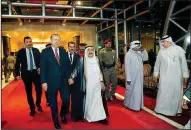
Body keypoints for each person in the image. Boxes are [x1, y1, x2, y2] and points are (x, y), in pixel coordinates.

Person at [68, 46, 109, 124]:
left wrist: (101, 81)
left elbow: (100, 71)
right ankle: (89, 116)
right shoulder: (82, 60)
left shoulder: (97, 59)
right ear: (86, 51)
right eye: (89, 50)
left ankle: (100, 117)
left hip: (97, 84)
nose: (90, 51)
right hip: (87, 84)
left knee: (98, 100)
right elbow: (76, 70)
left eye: (92, 50)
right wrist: (71, 77)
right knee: (89, 101)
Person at [40, 34, 71, 129]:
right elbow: (43, 68)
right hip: (51, 82)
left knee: (66, 100)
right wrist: (43, 81)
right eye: (55, 40)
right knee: (53, 103)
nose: (57, 41)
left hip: (63, 81)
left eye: (58, 40)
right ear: (51, 40)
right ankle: (56, 121)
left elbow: (67, 66)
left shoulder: (63, 51)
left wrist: (69, 77)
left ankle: (62, 114)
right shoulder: (45, 52)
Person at [153, 35, 189, 116]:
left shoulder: (178, 49)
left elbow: (184, 63)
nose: (162, 43)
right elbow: (157, 64)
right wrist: (155, 74)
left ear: (169, 41)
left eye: (163, 42)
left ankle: (177, 110)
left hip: (176, 77)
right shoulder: (161, 52)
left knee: (175, 93)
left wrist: (185, 75)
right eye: (161, 42)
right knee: (163, 92)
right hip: (164, 77)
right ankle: (160, 109)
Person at [15, 36, 43, 116]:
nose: (29, 43)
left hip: (36, 73)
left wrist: (40, 67)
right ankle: (32, 108)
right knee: (29, 92)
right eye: (27, 42)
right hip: (26, 74)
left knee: (39, 91)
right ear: (24, 43)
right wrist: (17, 74)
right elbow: (17, 64)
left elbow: (41, 61)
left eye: (30, 41)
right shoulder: (20, 52)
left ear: (32, 42)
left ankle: (38, 104)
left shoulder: (36, 51)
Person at [124, 40, 148, 111]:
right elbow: (127, 67)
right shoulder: (128, 54)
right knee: (130, 90)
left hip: (139, 76)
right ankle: (127, 103)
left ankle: (137, 106)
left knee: (138, 91)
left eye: (139, 46)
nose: (138, 47)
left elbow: (146, 58)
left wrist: (144, 50)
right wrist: (128, 78)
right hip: (131, 76)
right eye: (136, 46)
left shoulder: (139, 53)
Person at [66, 41, 82, 121]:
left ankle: (74, 115)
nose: (72, 48)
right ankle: (65, 112)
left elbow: (78, 69)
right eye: (70, 46)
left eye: (73, 47)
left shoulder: (78, 56)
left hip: (75, 81)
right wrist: (68, 78)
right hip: (65, 81)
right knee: (65, 99)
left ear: (75, 47)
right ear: (68, 47)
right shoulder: (63, 56)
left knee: (74, 98)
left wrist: (73, 78)